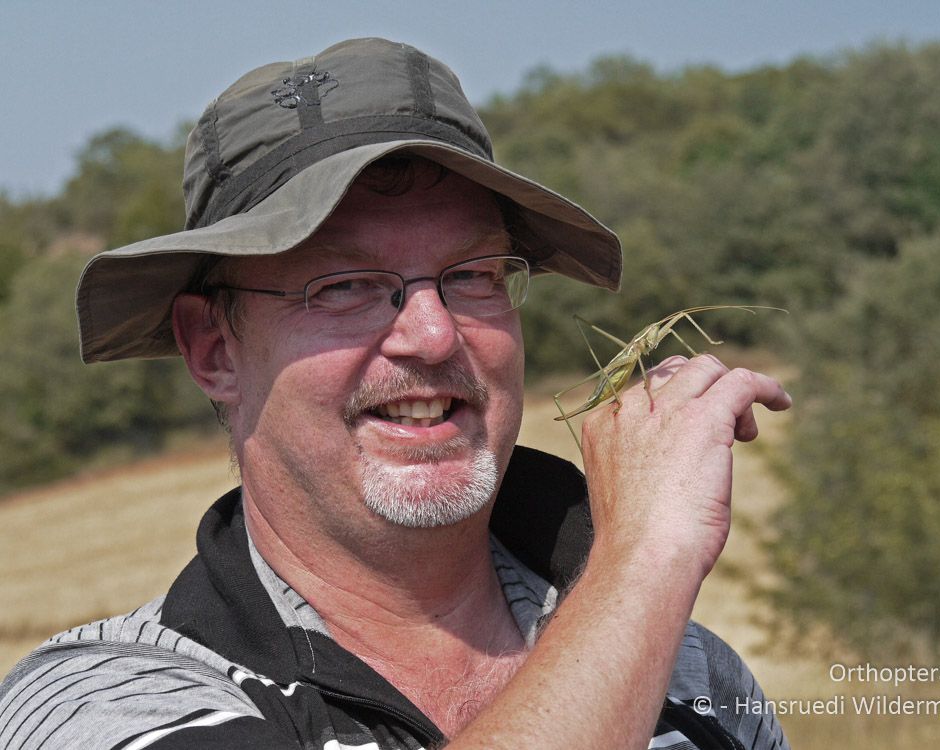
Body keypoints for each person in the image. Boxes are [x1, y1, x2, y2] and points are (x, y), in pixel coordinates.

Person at [0, 38, 791, 749]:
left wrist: (632, 599)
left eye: (474, 275)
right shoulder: (100, 704)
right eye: (343, 285)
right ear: (214, 350)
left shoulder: (694, 678)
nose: (435, 336)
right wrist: (642, 560)